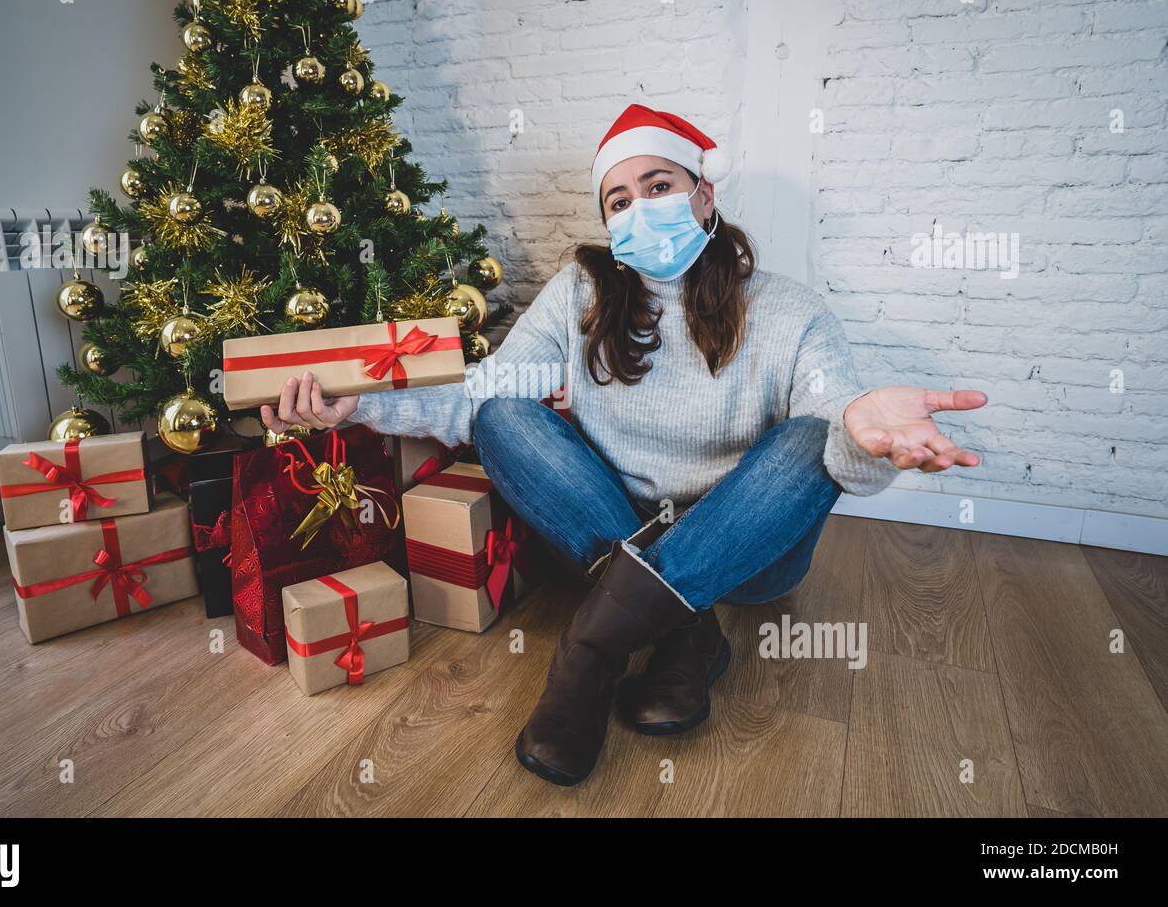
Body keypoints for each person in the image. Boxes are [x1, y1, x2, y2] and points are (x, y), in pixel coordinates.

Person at [262, 104, 988, 787]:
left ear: (704, 195)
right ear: (609, 223)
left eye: (659, 186)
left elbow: (838, 447)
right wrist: (362, 404)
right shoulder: (581, 293)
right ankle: (686, 626)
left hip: (748, 561)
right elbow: (481, 395)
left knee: (813, 439)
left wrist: (861, 433)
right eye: (619, 200)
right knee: (504, 415)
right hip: (613, 528)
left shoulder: (794, 313)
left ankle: (591, 649)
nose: (641, 209)